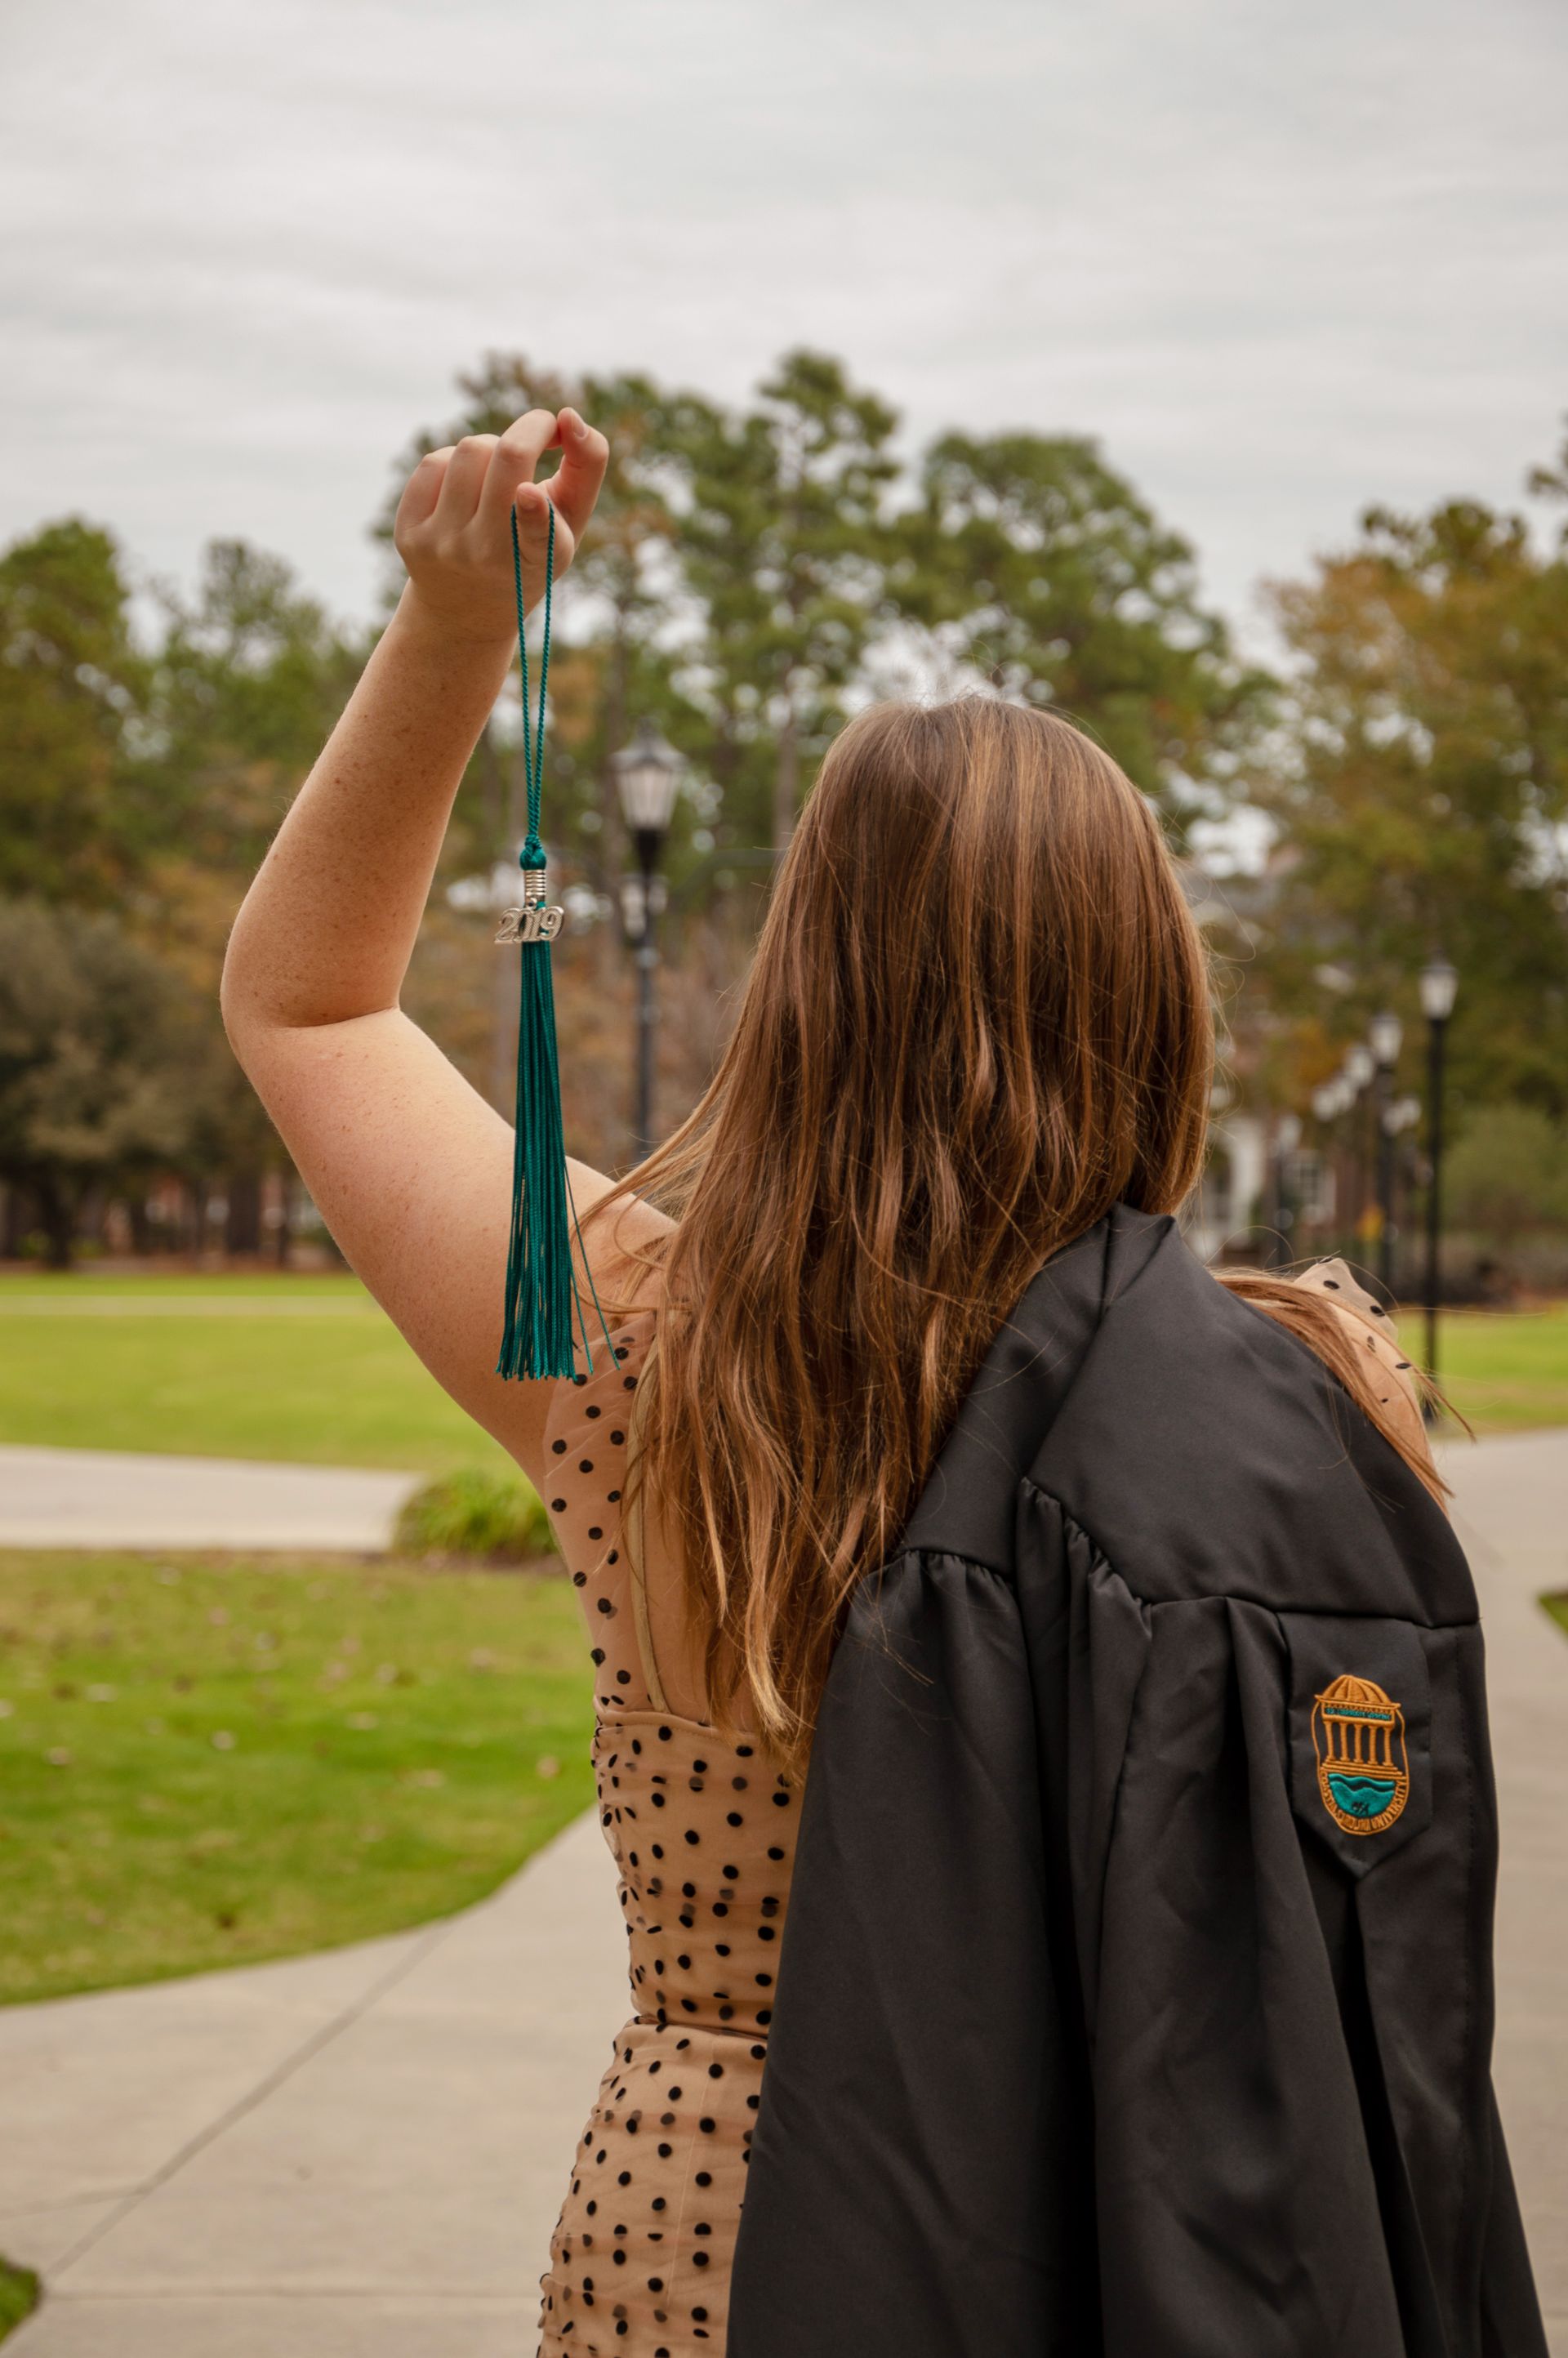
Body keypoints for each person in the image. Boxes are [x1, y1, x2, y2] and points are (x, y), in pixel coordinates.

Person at [222, 409, 1543, 2358]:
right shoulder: (1315, 1380)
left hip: (720, 2233)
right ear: (1153, 984)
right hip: (1153, 2232)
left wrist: (455, 623)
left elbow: (307, 998)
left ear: (802, 977)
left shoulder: (644, 1341)